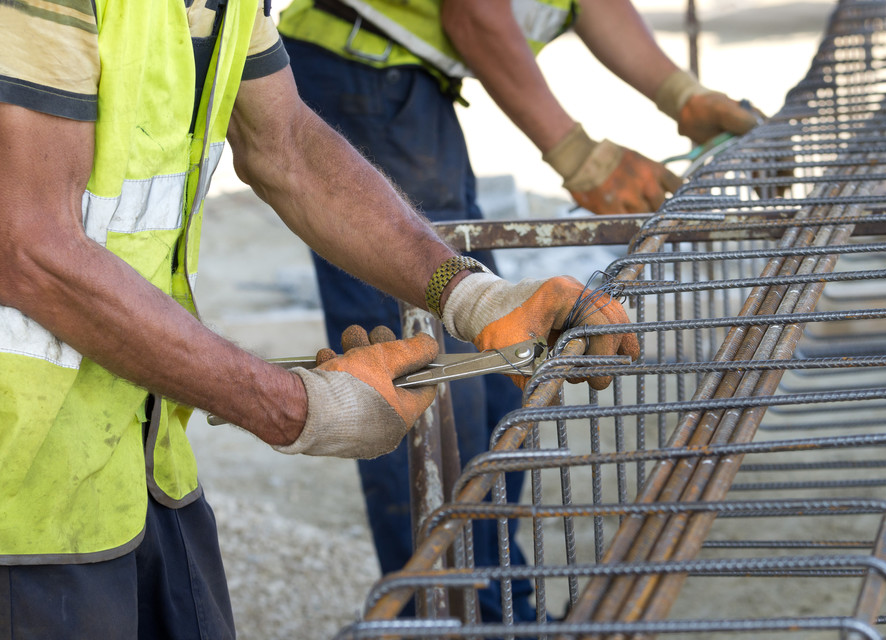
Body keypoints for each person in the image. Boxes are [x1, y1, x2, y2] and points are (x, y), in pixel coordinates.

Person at [0, 0, 639, 637]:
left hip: (133, 455)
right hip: (20, 487)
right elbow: (30, 248)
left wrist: (473, 296)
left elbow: (288, 147)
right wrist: (294, 406)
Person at [275, 0, 764, 625]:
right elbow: (475, 13)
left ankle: (499, 612)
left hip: (404, 86)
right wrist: (577, 154)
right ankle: (453, 620)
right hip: (365, 75)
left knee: (489, 387)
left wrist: (682, 95)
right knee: (435, 394)